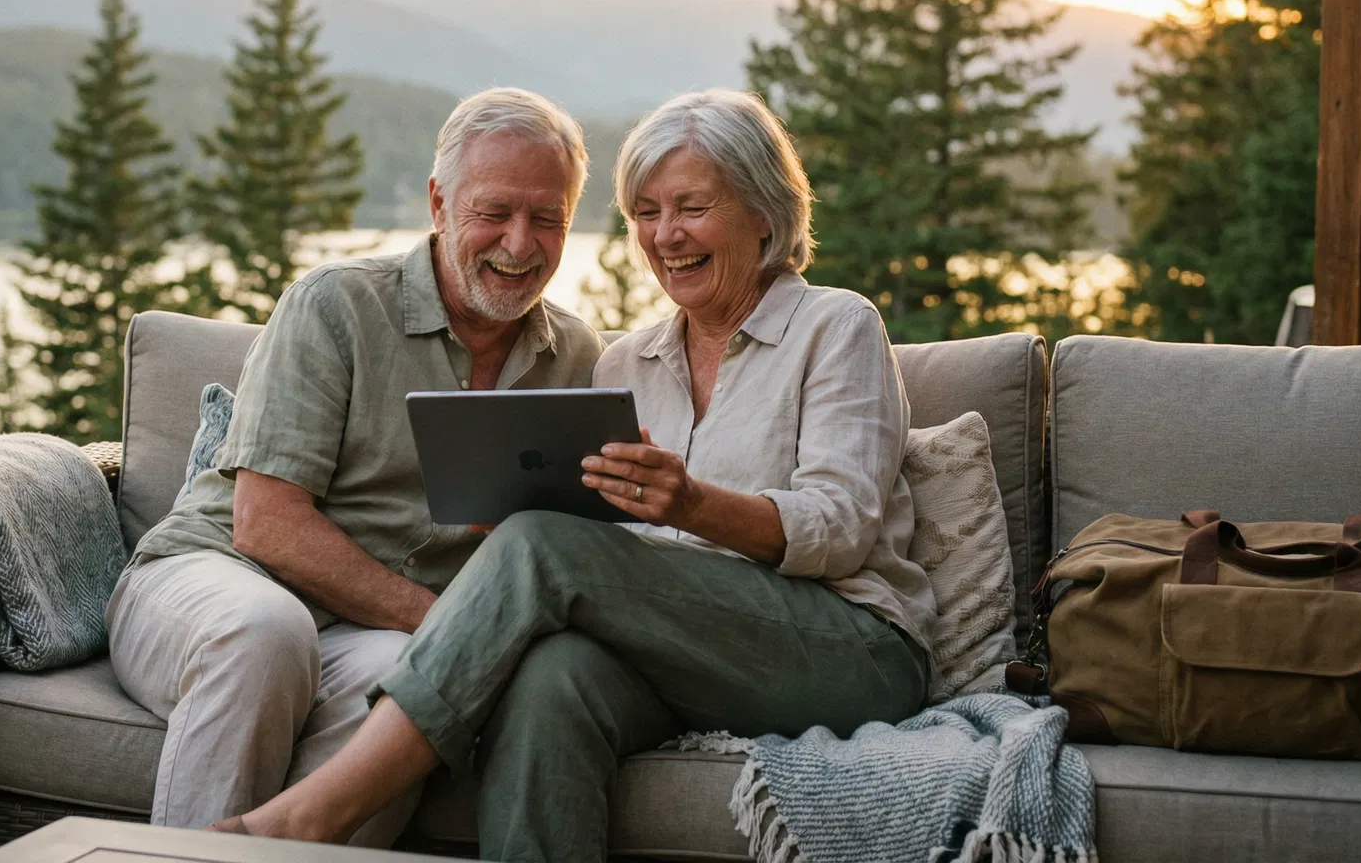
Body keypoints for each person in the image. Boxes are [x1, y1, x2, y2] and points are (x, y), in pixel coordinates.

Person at [217, 88, 938, 861]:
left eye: (692, 206)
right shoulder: (625, 362)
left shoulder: (837, 325)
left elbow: (840, 527)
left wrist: (690, 505)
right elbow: (617, 549)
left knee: (540, 548)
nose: (667, 236)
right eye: (646, 212)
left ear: (764, 212)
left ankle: (315, 816)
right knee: (549, 679)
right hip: (680, 648)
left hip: (846, 650)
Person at [105, 87, 606, 844]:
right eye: (494, 212)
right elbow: (264, 524)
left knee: (409, 687)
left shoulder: (575, 357)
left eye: (547, 219)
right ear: (439, 203)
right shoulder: (336, 306)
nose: (519, 243)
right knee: (267, 633)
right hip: (212, 580)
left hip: (365, 635)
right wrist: (448, 625)